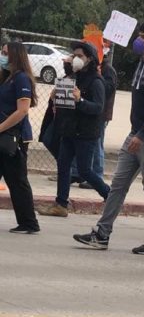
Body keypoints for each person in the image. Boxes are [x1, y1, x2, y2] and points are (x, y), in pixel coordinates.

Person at [73, 20, 144, 254]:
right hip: (135, 134)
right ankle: (102, 233)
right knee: (118, 185)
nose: (139, 41)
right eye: (139, 35)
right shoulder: (143, 63)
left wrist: (142, 133)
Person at [38, 41, 110, 217]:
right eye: (74, 55)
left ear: (90, 59)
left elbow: (98, 108)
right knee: (63, 166)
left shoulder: (96, 81)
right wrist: (55, 98)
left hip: (86, 133)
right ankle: (61, 204)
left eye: (80, 56)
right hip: (69, 130)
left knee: (85, 170)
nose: (75, 59)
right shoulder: (72, 77)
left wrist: (81, 101)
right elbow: (65, 103)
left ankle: (110, 195)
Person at [0, 42, 40, 234]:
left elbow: (22, 110)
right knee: (16, 180)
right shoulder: (7, 78)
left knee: (17, 181)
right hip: (4, 135)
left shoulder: (22, 79)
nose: (2, 55)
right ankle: (27, 222)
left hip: (14, 137)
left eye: (6, 53)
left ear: (16, 55)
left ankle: (29, 222)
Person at [81, 44, 117, 189]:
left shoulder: (107, 70)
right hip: (90, 111)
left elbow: (107, 90)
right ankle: (84, 174)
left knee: (97, 144)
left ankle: (97, 174)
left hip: (101, 114)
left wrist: (99, 76)